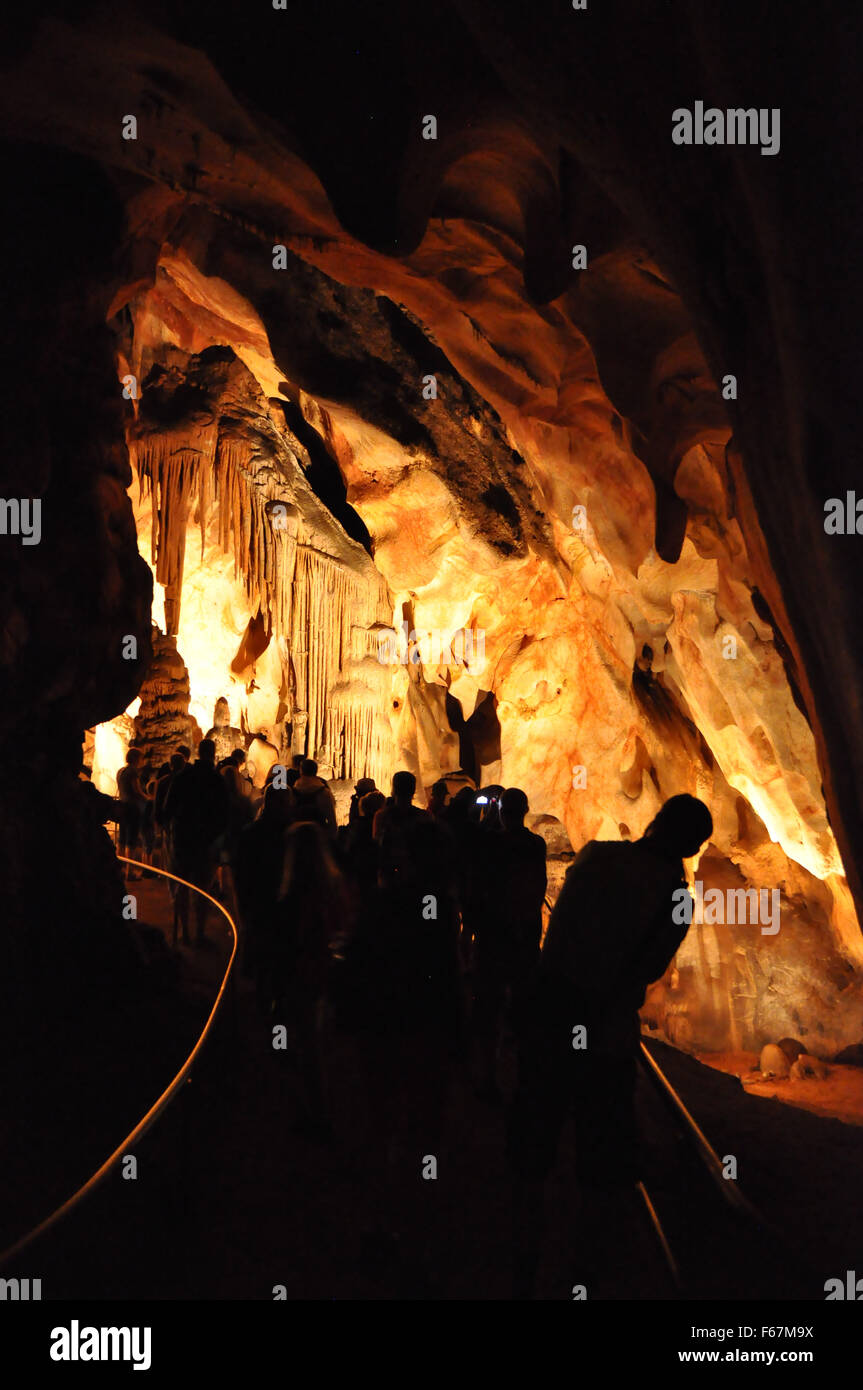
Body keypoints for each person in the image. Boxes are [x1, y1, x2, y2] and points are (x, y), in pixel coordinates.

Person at [507, 792, 713, 1298]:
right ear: (690, 846)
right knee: (601, 1163)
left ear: (656, 822)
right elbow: (648, 968)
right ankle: (585, 1274)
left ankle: (523, 1267)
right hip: (603, 1034)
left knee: (533, 1147)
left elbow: (562, 933)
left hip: (547, 1015)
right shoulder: (676, 893)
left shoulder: (597, 855)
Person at [268, 821, 349, 1137]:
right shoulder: (333, 885)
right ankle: (319, 1106)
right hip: (323, 969)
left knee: (302, 1044)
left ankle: (312, 1111)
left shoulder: (292, 895)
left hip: (300, 973)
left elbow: (288, 940)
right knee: (315, 1041)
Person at [473, 788, 547, 1101]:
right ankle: (526, 1081)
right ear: (526, 811)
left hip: (495, 932)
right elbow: (538, 886)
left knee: (489, 1006)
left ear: (500, 812)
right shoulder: (535, 844)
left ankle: (488, 1078)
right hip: (525, 932)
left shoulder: (489, 845)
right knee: (524, 1008)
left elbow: (480, 887)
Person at [163, 738, 230, 946]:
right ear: (213, 753)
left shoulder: (183, 776)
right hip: (206, 844)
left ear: (198, 753)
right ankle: (200, 932)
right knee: (202, 890)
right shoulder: (217, 780)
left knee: (182, 887)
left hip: (183, 840)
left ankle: (184, 931)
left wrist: (170, 831)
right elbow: (224, 814)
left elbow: (168, 808)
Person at [234, 783, 295, 1005]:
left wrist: (242, 904)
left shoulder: (250, 833)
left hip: (259, 903)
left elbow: (240, 873)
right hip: (281, 904)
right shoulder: (292, 834)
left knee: (262, 951)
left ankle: (263, 996)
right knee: (279, 954)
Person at [116, 747, 147, 875]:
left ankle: (118, 870)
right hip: (133, 808)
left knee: (121, 840)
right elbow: (137, 790)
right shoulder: (133, 772)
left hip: (122, 806)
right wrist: (148, 798)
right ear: (135, 758)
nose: (141, 761)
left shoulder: (121, 771)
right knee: (131, 841)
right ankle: (130, 871)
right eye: (140, 758)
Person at [292, 758, 338, 837]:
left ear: (301, 771)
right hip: (318, 836)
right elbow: (332, 820)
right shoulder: (324, 793)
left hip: (296, 835)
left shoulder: (292, 792)